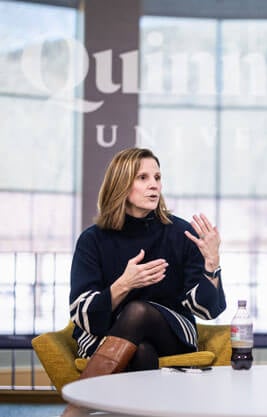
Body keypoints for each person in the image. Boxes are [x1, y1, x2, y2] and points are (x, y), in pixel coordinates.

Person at [63, 148, 226, 417]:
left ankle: (78, 407)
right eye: (142, 177)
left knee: (138, 310)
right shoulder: (92, 239)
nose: (154, 185)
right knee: (141, 352)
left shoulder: (181, 233)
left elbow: (208, 310)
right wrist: (123, 285)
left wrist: (211, 265)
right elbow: (81, 314)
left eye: (157, 177)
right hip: (103, 334)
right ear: (121, 184)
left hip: (172, 333)